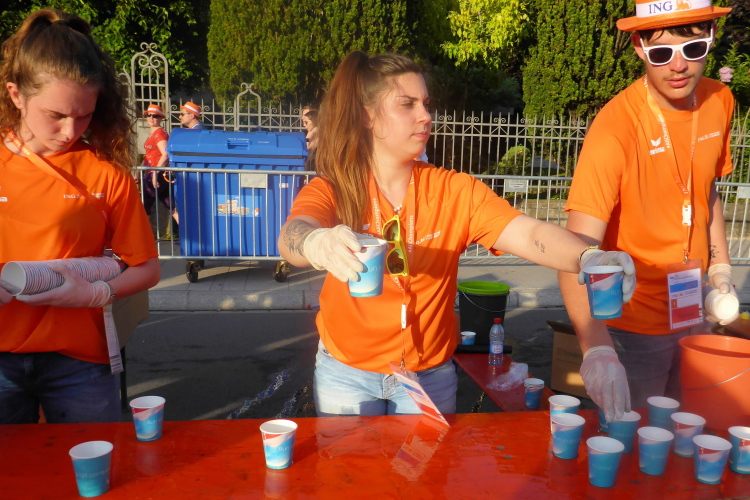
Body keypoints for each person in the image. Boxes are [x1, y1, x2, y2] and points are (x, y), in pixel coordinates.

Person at [278, 51, 636, 417]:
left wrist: (587, 256)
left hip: (428, 375)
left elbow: (529, 234)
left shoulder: (454, 191)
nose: (425, 116)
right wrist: (314, 242)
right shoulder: (336, 189)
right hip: (346, 372)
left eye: (426, 104)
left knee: (427, 459)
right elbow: (294, 232)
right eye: (407, 104)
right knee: (349, 458)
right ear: (367, 116)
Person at [558, 0, 736, 423]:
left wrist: (720, 268)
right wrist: (596, 349)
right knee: (635, 449)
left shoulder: (720, 99)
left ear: (711, 39)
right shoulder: (615, 128)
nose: (678, 66)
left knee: (690, 439)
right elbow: (575, 252)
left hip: (694, 309)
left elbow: (706, 189)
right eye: (661, 53)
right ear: (639, 47)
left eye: (692, 49)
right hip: (632, 327)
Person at [0, 9, 160, 424]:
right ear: (16, 94)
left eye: (84, 115)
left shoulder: (105, 173)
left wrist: (97, 293)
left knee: (94, 460)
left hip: (79, 361)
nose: (71, 131)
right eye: (56, 115)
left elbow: (146, 268)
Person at [141, 103, 178, 239]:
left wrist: (155, 173)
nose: (151, 118)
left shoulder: (159, 134)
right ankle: (188, 234)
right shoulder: (155, 133)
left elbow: (165, 154)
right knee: (171, 207)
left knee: (145, 205)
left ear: (161, 118)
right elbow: (148, 155)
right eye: (149, 115)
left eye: (155, 116)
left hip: (156, 173)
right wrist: (137, 172)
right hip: (155, 173)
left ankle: (145, 237)